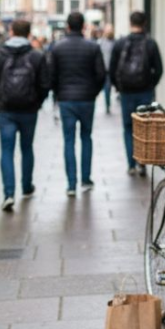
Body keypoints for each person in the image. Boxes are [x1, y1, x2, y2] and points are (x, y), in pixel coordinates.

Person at [0, 19, 50, 211]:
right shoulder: (36, 56)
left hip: (6, 110)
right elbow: (44, 84)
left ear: (11, 32)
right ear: (29, 33)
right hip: (29, 109)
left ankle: (8, 193)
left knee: (6, 150)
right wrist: (37, 102)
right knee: (27, 148)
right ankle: (27, 186)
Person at [49, 12, 106, 196]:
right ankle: (86, 179)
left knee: (68, 140)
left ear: (67, 26)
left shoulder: (57, 48)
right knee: (86, 137)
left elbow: (52, 75)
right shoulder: (93, 47)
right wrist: (93, 92)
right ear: (83, 26)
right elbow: (101, 75)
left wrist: (59, 93)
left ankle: (71, 184)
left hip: (66, 100)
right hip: (87, 99)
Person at [109, 12, 163, 176]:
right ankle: (142, 163)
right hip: (145, 92)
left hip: (126, 93)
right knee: (144, 127)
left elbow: (112, 69)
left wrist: (118, 87)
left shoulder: (120, 43)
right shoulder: (150, 43)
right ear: (144, 23)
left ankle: (131, 163)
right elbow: (159, 69)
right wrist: (150, 85)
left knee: (128, 127)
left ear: (130, 22)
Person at [98, 25, 115, 115]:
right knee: (107, 89)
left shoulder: (115, 42)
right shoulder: (101, 43)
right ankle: (108, 105)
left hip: (114, 70)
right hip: (106, 71)